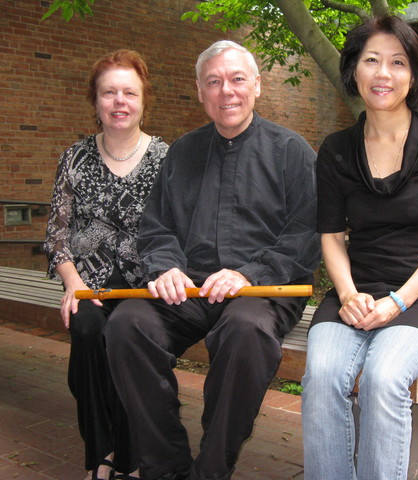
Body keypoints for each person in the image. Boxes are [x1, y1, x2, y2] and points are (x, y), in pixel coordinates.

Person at [104, 40, 320, 480]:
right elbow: (157, 226)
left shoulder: (291, 152)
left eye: (238, 79)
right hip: (190, 289)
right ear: (201, 92)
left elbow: (307, 233)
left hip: (263, 290)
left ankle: (213, 468)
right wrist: (165, 267)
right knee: (127, 324)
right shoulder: (182, 153)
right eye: (214, 82)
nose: (227, 91)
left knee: (245, 331)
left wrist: (247, 273)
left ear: (257, 86)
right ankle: (166, 467)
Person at [301, 15, 418, 480]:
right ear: (353, 70)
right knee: (321, 377)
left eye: (398, 62)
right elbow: (331, 237)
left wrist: (398, 301)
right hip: (355, 292)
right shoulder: (336, 150)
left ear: (414, 74)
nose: (383, 74)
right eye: (371, 60)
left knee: (383, 377)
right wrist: (348, 293)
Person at [44, 49, 167, 480]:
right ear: (95, 101)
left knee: (128, 338)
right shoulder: (74, 158)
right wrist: (73, 284)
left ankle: (131, 458)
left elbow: (179, 232)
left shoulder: (167, 160)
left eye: (128, 92)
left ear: (143, 100)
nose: (119, 101)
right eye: (109, 92)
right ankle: (101, 455)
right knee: (88, 329)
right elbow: (56, 234)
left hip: (144, 289)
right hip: (88, 285)